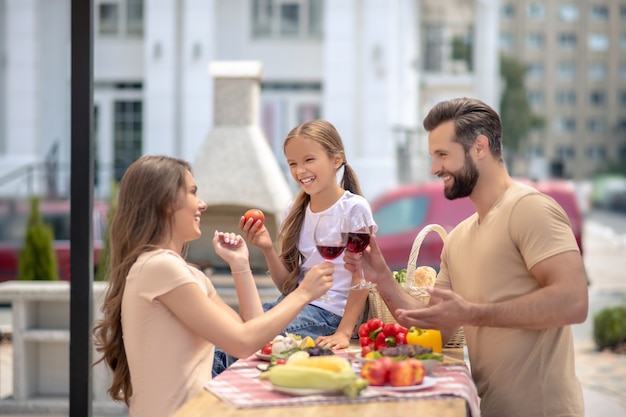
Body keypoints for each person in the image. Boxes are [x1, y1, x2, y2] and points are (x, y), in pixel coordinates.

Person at [344, 97, 588, 417]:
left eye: (442, 155)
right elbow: (436, 328)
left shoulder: (530, 209)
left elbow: (573, 302)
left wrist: (473, 313)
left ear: (480, 147)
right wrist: (383, 278)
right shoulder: (458, 238)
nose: (434, 169)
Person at [92, 155, 334, 417]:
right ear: (166, 204)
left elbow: (251, 334)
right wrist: (303, 294)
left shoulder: (185, 273)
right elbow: (242, 343)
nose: (202, 204)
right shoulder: (159, 267)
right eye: (193, 192)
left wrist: (240, 265)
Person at [213, 119, 376, 375]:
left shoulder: (354, 209)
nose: (300, 170)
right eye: (292, 163)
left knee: (237, 348)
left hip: (330, 315)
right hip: (294, 304)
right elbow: (289, 287)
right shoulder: (294, 210)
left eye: (309, 160)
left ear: (336, 160)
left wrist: (344, 332)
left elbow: (361, 276)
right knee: (225, 337)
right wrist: (267, 248)